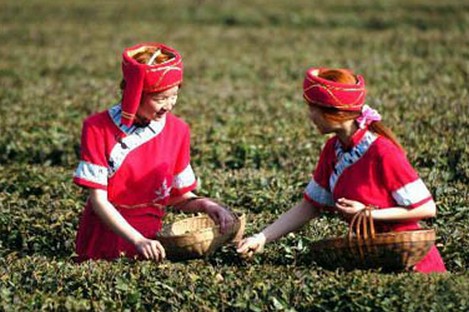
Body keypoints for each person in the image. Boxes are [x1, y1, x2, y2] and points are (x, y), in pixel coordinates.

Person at [237, 67, 446, 273]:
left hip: (412, 259)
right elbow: (309, 207)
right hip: (375, 258)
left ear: (335, 112)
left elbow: (427, 208)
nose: (310, 116)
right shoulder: (333, 150)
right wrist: (261, 237)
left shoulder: (382, 152)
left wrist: (368, 214)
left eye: (314, 109)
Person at [73, 42, 234, 262]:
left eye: (174, 95)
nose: (169, 105)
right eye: (160, 98)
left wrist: (208, 205)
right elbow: (98, 200)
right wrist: (137, 239)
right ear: (134, 94)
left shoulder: (179, 131)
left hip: (154, 244)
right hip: (104, 241)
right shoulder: (97, 128)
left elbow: (179, 198)